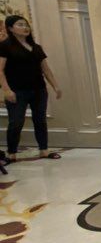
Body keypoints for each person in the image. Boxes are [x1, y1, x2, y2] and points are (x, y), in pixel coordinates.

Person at [0, 15, 62, 161]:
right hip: (17, 90)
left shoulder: (36, 47)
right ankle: (11, 153)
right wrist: (7, 90)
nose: (25, 27)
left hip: (39, 89)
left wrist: (55, 86)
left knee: (40, 120)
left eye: (26, 24)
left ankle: (44, 150)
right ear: (10, 28)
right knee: (16, 122)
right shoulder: (5, 46)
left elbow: (45, 69)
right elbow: (0, 70)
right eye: (20, 25)